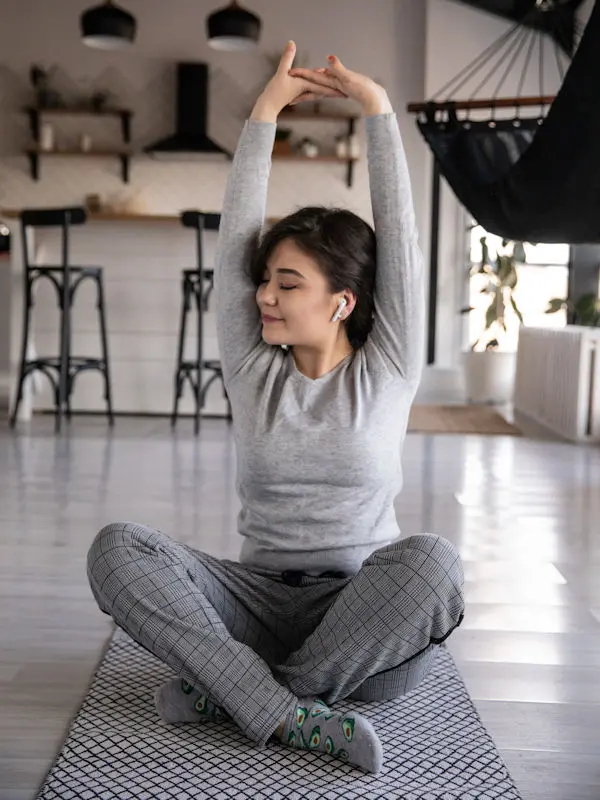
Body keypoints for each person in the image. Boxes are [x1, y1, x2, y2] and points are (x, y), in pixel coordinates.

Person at [87, 41, 465, 775]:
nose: (265, 294)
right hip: (253, 604)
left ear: (342, 301)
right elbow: (235, 239)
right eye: (265, 280)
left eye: (287, 283)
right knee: (116, 549)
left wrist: (378, 109)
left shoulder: (386, 366)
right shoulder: (253, 366)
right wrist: (263, 111)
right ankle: (292, 713)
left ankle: (239, 696)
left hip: (359, 615)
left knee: (434, 566)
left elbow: (404, 245)